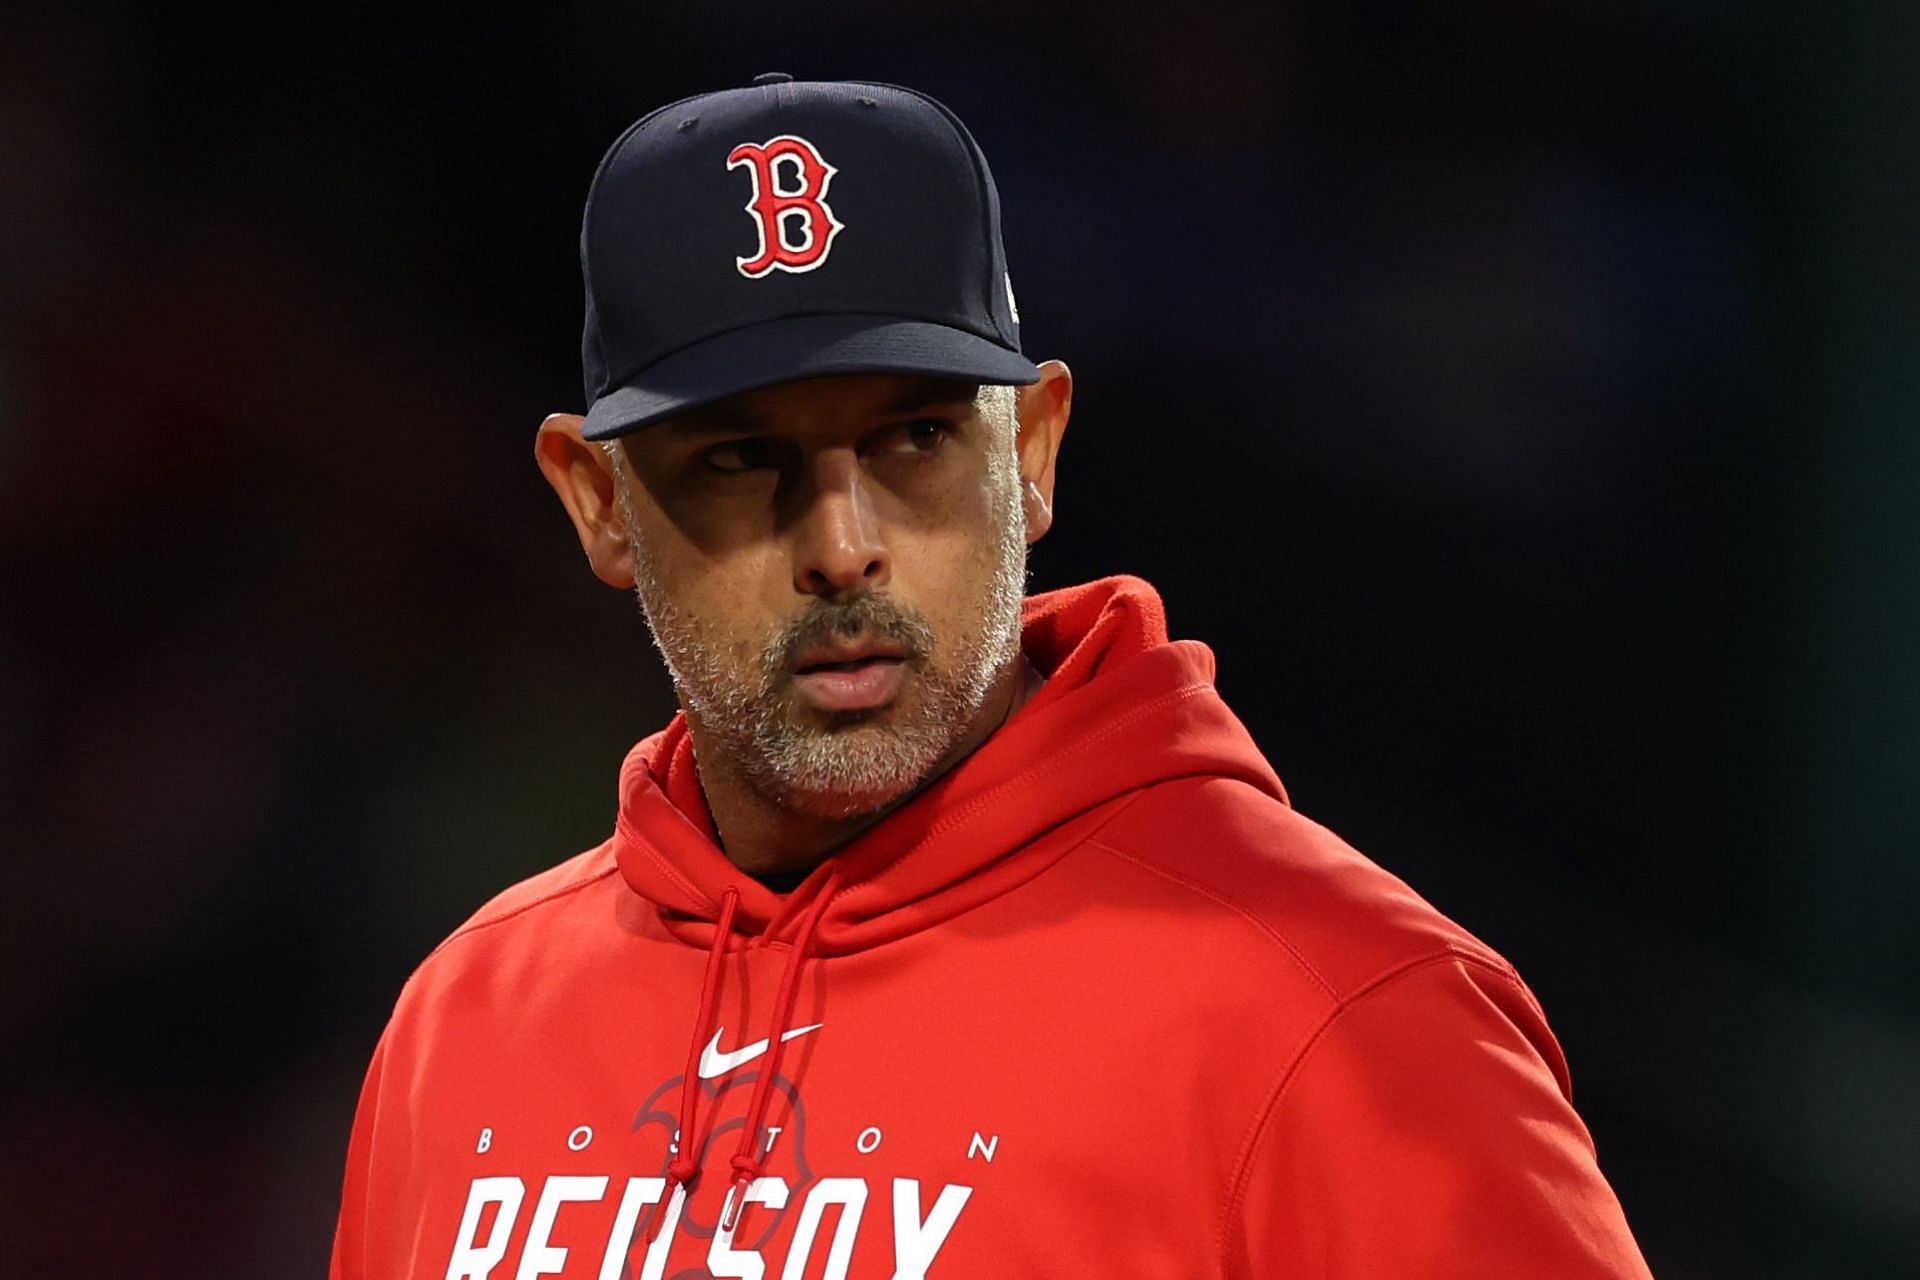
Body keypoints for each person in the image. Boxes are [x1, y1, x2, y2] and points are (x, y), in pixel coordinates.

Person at [329, 74, 1655, 1279]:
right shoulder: (467, 1026)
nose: (843, 549)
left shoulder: (1334, 1020)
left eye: (911, 439)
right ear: (598, 503)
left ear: (1032, 451)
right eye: (741, 462)